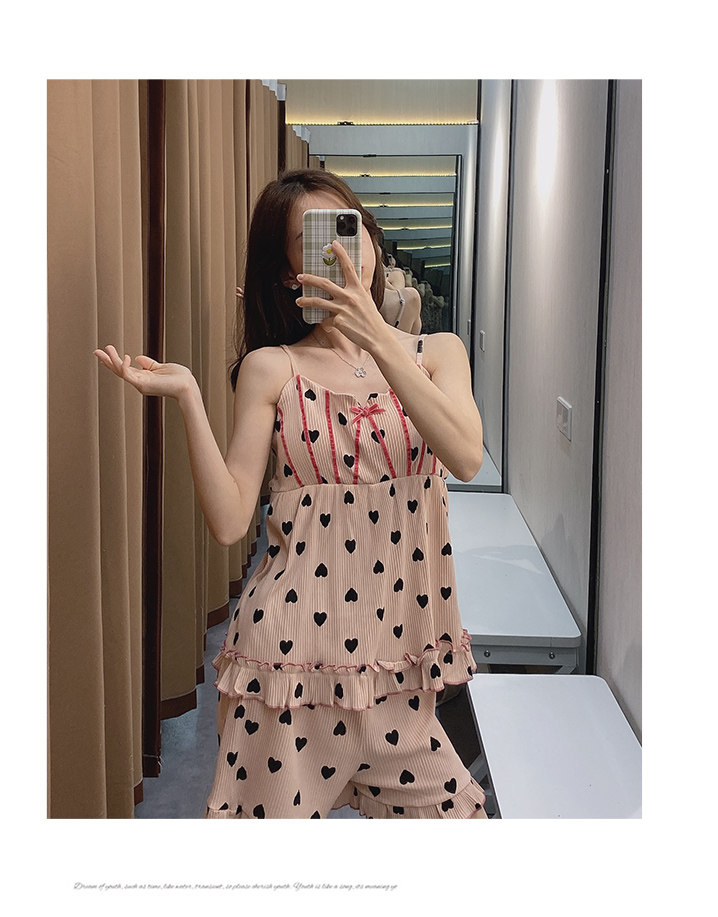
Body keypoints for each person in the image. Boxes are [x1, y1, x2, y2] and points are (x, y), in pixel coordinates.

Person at [94, 168, 487, 819]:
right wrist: (189, 395)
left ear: (372, 240)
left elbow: (466, 455)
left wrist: (375, 335)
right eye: (317, 240)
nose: (342, 250)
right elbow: (229, 521)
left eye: (350, 228)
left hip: (399, 674)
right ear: (289, 273)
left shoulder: (438, 353)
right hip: (287, 672)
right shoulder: (273, 367)